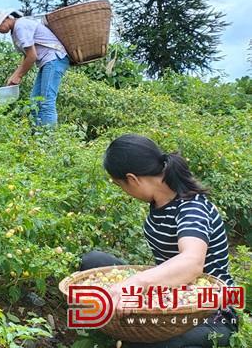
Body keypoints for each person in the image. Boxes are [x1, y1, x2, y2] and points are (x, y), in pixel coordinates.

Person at [80, 134, 237, 347]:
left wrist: (135, 284)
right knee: (94, 262)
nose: (125, 192)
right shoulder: (159, 203)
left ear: (132, 179)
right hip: (170, 296)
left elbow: (192, 263)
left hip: (209, 312)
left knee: (141, 344)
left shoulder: (192, 208)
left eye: (120, 185)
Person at [0, 8, 69, 126]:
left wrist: (18, 76)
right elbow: (27, 56)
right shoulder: (16, 30)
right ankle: (38, 133)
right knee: (34, 102)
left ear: (5, 20)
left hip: (54, 59)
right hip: (47, 62)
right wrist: (14, 76)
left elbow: (32, 56)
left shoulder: (20, 26)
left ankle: (49, 136)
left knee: (46, 101)